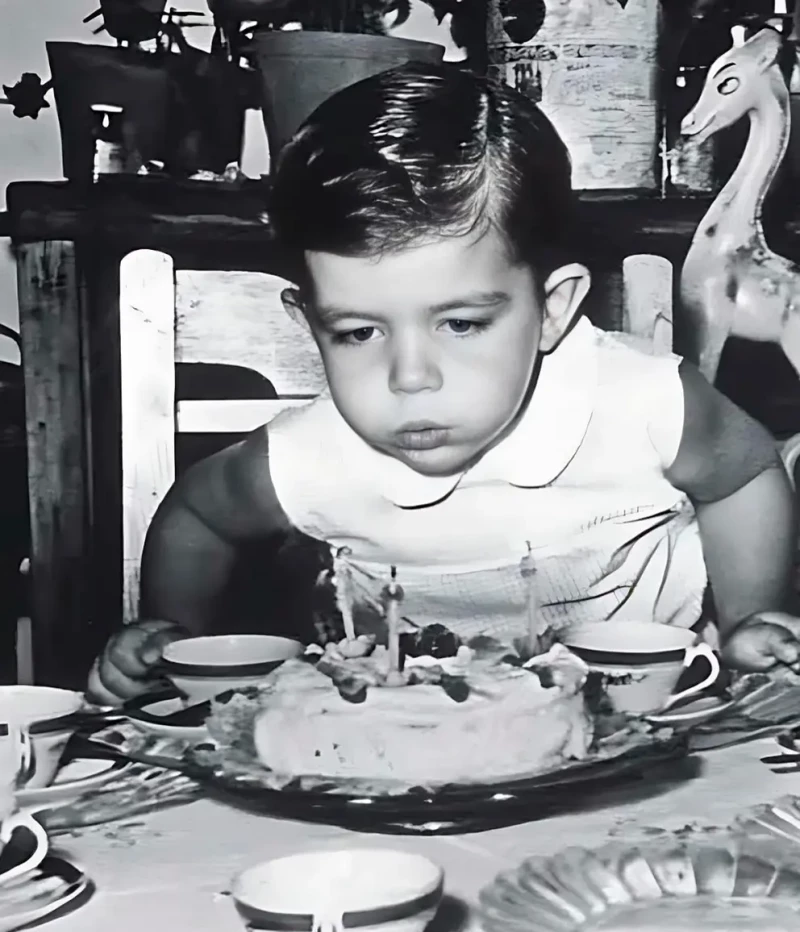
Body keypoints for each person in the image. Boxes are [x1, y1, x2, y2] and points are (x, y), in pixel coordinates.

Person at [89, 62, 800, 705]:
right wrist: (175, 639)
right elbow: (200, 516)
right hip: (414, 748)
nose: (410, 378)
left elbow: (744, 473)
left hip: (655, 739)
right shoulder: (310, 457)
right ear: (311, 326)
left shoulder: (642, 404)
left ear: (552, 308)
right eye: (358, 332)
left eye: (460, 325)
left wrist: (749, 619)